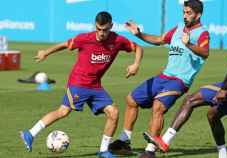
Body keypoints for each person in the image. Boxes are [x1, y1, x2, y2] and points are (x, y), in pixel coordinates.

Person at [143, 2, 227, 158]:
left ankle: (165, 141)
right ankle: (223, 155)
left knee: (190, 100)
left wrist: (223, 89)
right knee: (212, 115)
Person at [20, 11, 143, 158]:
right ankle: (30, 133)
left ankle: (103, 151)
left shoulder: (117, 40)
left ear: (111, 26)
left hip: (95, 86)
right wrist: (46, 52)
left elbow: (138, 48)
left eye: (105, 30)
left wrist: (136, 64)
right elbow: (65, 44)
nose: (101, 33)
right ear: (95, 26)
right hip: (78, 83)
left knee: (113, 113)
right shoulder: (85, 38)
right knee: (63, 112)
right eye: (98, 29)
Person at [108, 0, 210, 158]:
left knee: (158, 107)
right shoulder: (178, 29)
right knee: (131, 99)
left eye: (189, 13)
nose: (185, 16)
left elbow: (205, 52)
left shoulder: (202, 33)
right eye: (184, 12)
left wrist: (188, 43)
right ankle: (124, 141)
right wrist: (139, 34)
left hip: (180, 81)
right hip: (164, 76)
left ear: (198, 15)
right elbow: (159, 40)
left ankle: (150, 151)